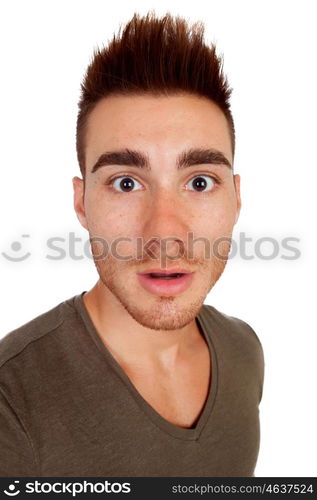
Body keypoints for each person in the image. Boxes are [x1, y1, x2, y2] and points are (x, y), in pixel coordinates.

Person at [0, 11, 264, 477]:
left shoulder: (244, 351)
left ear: (236, 199)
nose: (164, 233)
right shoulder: (11, 401)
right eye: (126, 183)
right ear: (82, 204)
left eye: (200, 182)